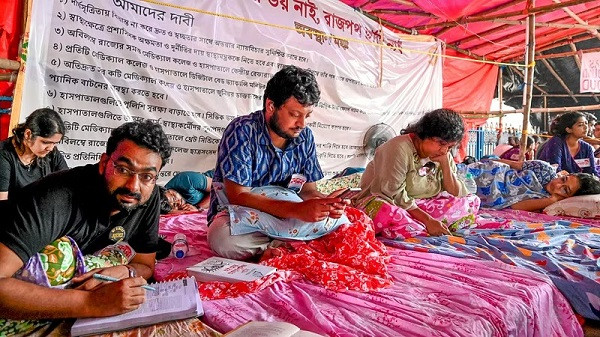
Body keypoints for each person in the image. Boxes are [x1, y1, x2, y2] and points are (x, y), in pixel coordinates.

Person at [0, 120, 171, 323]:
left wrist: (125, 270)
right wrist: (92, 303)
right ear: (104, 163)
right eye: (123, 169)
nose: (134, 186)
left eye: (147, 176)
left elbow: (145, 265)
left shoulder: (148, 198)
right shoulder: (56, 198)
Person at [206, 65, 347, 260]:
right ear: (271, 106)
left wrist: (325, 204)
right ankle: (292, 244)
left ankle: (277, 247)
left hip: (288, 215)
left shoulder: (305, 137)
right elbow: (238, 196)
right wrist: (297, 210)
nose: (302, 124)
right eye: (295, 114)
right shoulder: (242, 131)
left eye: (307, 116)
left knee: (344, 221)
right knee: (222, 238)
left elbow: (307, 191)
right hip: (244, 214)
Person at [354, 109, 470, 237]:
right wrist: (428, 220)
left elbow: (456, 192)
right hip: (391, 202)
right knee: (386, 212)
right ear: (424, 135)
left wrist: (445, 164)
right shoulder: (398, 148)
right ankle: (421, 226)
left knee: (469, 202)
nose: (444, 150)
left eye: (449, 146)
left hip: (421, 204)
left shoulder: (443, 154)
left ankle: (420, 226)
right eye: (441, 143)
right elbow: (395, 194)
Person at [465, 158, 600, 211]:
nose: (558, 186)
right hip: (493, 173)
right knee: (461, 175)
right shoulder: (545, 168)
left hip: (490, 193)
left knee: (460, 188)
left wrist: (551, 199)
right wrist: (487, 161)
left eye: (565, 190)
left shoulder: (546, 200)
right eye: (563, 180)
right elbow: (513, 165)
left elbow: (515, 206)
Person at [0, 108, 68, 201]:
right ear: (28, 135)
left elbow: (67, 187)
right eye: (45, 142)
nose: (51, 148)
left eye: (55, 143)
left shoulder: (52, 153)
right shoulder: (4, 154)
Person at [537, 111, 599, 177]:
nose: (586, 127)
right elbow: (555, 169)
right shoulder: (556, 142)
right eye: (580, 125)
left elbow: (591, 172)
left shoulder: (587, 148)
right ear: (568, 129)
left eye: (586, 123)